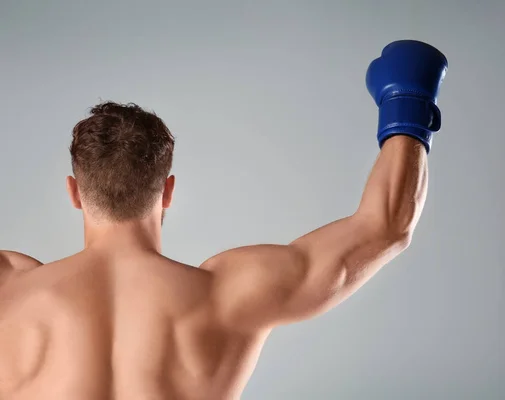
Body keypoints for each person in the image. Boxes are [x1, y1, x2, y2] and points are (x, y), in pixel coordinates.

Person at [0, 40, 447, 400]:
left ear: (74, 192)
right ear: (167, 192)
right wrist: (407, 107)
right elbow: (385, 227)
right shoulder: (229, 294)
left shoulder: (10, 288)